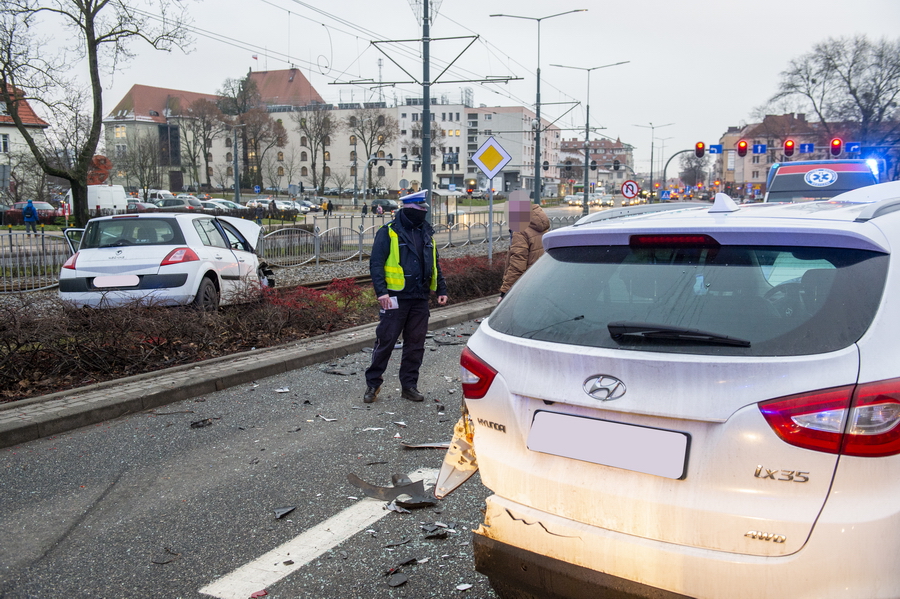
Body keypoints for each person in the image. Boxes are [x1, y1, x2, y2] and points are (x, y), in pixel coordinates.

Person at [364, 189, 448, 404]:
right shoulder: (389, 232)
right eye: (421, 208)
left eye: (424, 209)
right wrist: (381, 292)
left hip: (419, 297)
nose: (424, 212)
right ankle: (373, 383)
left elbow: (435, 264)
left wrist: (441, 290)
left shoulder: (426, 233)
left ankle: (409, 386)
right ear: (409, 209)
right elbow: (376, 264)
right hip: (394, 297)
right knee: (386, 341)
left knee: (415, 344)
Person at [499, 199, 549, 302]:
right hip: (542, 279)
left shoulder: (520, 231)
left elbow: (517, 264)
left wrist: (505, 292)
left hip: (525, 285)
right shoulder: (540, 226)